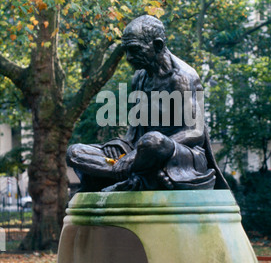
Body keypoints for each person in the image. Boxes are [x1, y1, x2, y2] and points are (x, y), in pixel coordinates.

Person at [66, 15, 228, 192]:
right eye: (126, 50)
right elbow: (134, 130)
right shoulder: (140, 77)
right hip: (140, 154)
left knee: (152, 141)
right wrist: (119, 145)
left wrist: (136, 154)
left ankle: (126, 177)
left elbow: (195, 132)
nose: (128, 57)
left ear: (157, 45)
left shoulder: (182, 77)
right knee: (74, 152)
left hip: (177, 153)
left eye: (135, 49)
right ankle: (130, 176)